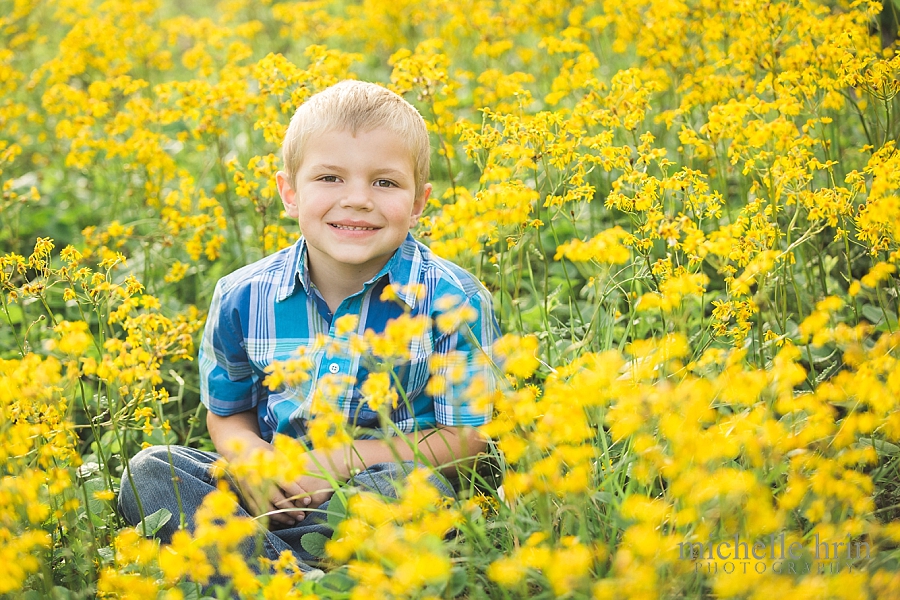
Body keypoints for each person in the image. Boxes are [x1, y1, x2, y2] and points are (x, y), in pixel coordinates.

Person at [117, 80, 499, 579]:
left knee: (412, 491)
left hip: (378, 491)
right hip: (270, 493)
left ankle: (268, 575)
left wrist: (337, 463)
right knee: (150, 471)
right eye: (330, 178)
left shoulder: (453, 299)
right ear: (289, 192)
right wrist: (256, 463)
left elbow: (465, 442)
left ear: (419, 201)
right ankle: (308, 577)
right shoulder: (243, 295)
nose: (357, 200)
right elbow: (227, 417)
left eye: (385, 183)